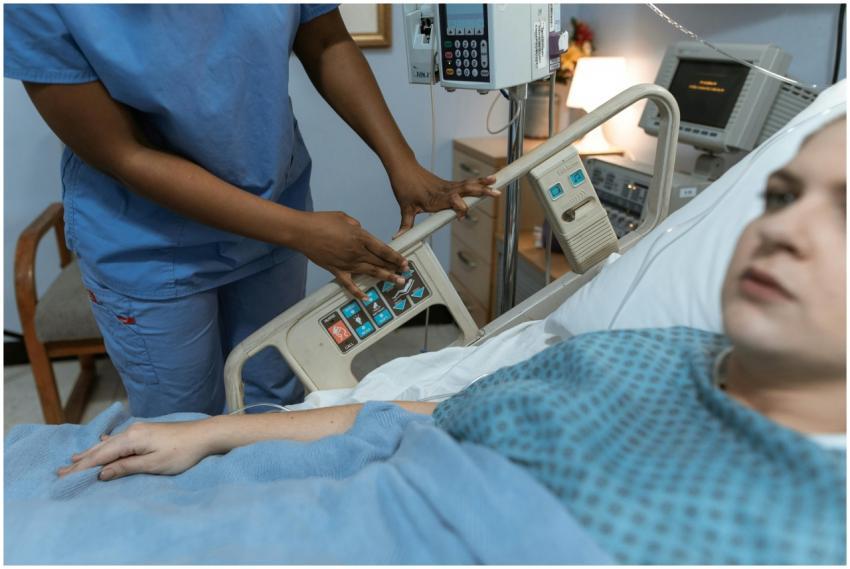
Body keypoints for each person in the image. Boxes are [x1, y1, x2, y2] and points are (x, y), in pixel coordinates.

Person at [58, 116, 846, 563]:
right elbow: (427, 410)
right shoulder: (650, 349)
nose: (783, 229)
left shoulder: (809, 526)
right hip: (314, 500)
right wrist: (213, 434)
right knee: (90, 479)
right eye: (779, 193)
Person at [4, 5, 498, 417]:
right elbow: (125, 154)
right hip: (148, 239)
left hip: (273, 207)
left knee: (277, 399)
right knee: (183, 423)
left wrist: (402, 164)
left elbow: (325, 38)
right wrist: (301, 232)